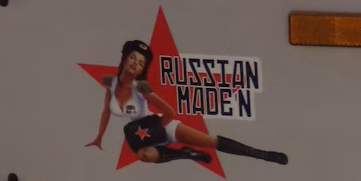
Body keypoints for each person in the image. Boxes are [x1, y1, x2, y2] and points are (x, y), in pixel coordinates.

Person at [85, 40, 287, 165]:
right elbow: (106, 110)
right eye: (132, 58)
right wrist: (99, 136)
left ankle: (263, 154)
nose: (135, 64)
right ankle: (185, 154)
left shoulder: (142, 87)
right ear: (124, 58)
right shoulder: (110, 83)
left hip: (159, 126)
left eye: (140, 63)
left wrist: (156, 130)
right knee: (144, 155)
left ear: (141, 70)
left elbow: (170, 112)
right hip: (143, 136)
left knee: (210, 141)